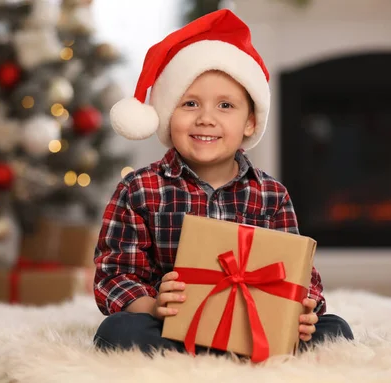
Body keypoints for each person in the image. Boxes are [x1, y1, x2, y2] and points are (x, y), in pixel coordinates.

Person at [92, 9, 353, 358]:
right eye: (190, 104)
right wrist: (152, 305)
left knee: (336, 330)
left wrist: (306, 309)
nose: (206, 118)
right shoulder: (139, 189)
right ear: (168, 115)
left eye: (225, 105)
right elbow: (113, 272)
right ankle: (220, 356)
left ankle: (241, 348)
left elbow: (300, 271)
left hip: (255, 324)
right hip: (170, 327)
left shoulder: (271, 195)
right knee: (117, 331)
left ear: (249, 122)